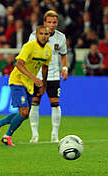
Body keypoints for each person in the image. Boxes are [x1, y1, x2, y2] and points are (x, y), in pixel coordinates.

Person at [0, 25, 52, 146]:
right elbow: (19, 64)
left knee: (25, 114)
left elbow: (45, 67)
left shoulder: (48, 50)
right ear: (37, 35)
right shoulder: (29, 47)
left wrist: (43, 84)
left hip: (29, 84)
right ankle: (7, 136)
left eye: (46, 34)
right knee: (24, 112)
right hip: (17, 80)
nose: (44, 36)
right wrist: (34, 78)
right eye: (41, 34)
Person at [28, 10, 68, 143]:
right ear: (44, 22)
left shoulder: (61, 37)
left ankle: (54, 135)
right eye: (49, 22)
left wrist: (65, 68)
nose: (51, 25)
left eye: (54, 22)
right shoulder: (34, 36)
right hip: (37, 76)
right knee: (34, 104)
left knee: (55, 104)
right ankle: (34, 135)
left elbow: (63, 54)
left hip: (53, 76)